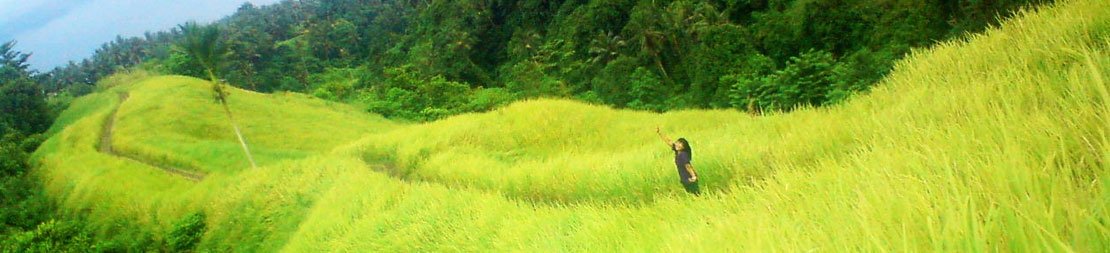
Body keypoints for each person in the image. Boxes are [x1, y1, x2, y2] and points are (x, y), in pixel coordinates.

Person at [655, 127, 699, 195]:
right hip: (684, 178)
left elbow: (688, 166)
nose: (677, 144)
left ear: (684, 147)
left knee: (695, 195)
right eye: (677, 142)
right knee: (693, 195)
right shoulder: (678, 152)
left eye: (680, 144)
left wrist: (693, 176)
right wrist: (660, 133)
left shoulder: (683, 154)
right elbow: (668, 141)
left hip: (689, 178)